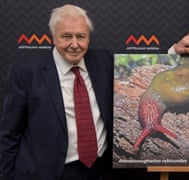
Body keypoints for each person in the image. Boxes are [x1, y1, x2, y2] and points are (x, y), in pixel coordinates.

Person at [0, 4, 113, 180]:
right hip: (51, 173)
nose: (75, 44)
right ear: (53, 36)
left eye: (81, 37)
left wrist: (171, 52)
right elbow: (10, 135)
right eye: (66, 36)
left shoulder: (105, 62)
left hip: (101, 170)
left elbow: (145, 67)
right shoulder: (25, 73)